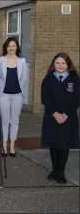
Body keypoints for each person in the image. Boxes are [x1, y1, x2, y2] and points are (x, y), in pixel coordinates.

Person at [41, 52, 79, 184]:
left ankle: (61, 172)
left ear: (68, 65)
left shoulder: (74, 78)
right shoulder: (49, 78)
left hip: (68, 117)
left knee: (64, 145)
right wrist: (55, 114)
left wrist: (65, 115)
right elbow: (45, 98)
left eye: (63, 63)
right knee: (54, 144)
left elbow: (76, 99)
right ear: (53, 64)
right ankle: (55, 170)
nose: (60, 65)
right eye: (57, 63)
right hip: (52, 116)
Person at [0, 37, 28, 157]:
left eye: (13, 46)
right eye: (9, 46)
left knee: (15, 121)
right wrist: (2, 88)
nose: (11, 48)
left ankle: (12, 145)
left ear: (17, 47)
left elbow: (24, 79)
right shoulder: (0, 60)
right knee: (5, 120)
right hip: (4, 95)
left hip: (17, 95)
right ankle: (4, 144)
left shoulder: (22, 61)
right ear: (5, 47)